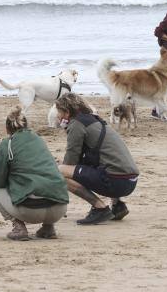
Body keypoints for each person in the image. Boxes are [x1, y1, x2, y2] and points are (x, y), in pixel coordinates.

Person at [55, 93, 139, 225]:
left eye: (59, 112)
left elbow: (70, 162)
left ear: (66, 112)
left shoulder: (76, 124)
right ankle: (118, 206)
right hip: (130, 180)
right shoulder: (94, 119)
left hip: (116, 182)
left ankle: (100, 208)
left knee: (59, 172)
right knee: (104, 162)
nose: (58, 115)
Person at [0, 106, 69, 240]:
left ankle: (19, 227)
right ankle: (48, 227)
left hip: (30, 211)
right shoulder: (39, 140)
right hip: (60, 208)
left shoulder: (7, 144)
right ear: (26, 125)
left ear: (7, 128)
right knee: (46, 183)